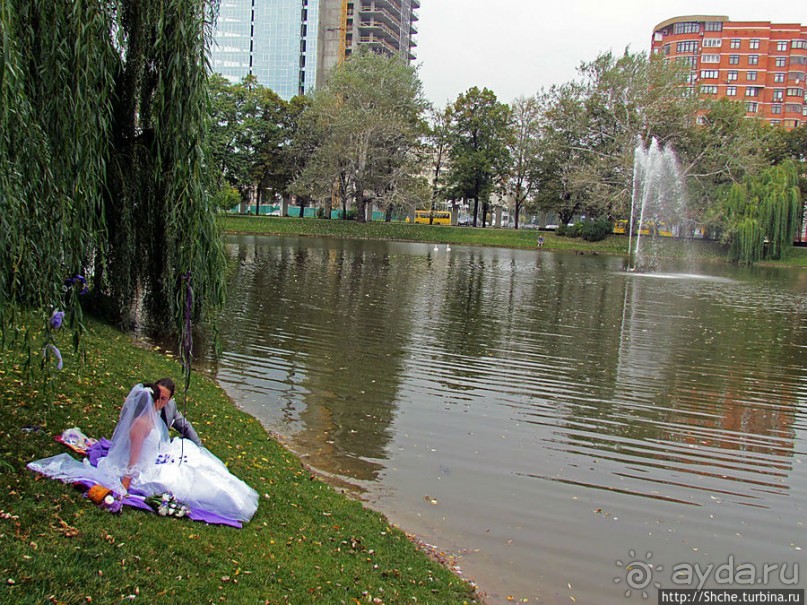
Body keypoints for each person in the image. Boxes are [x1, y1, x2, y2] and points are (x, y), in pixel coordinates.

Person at [28, 383, 258, 523]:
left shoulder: (155, 417)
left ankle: (231, 494)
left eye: (164, 399)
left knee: (192, 458)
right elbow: (134, 459)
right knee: (181, 480)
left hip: (155, 458)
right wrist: (125, 486)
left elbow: (179, 427)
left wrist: (194, 443)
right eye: (158, 398)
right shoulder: (141, 424)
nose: (161, 402)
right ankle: (228, 502)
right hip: (143, 469)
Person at [154, 378, 202, 446]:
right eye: (157, 395)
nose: (158, 400)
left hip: (163, 445)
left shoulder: (171, 406)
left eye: (163, 398)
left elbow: (185, 426)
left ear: (169, 399)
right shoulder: (142, 407)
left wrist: (199, 447)